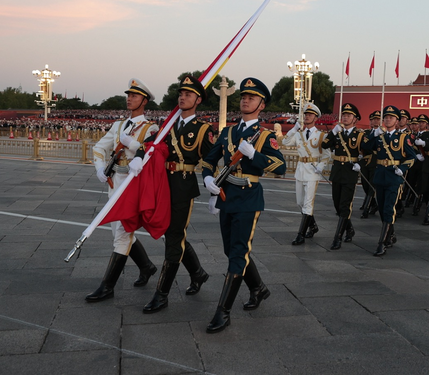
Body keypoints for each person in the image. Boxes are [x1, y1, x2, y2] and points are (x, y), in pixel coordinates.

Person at [201, 77, 286, 333]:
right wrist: (207, 178)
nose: (245, 100)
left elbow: (280, 167)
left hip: (249, 198)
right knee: (232, 250)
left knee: (237, 254)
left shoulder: (266, 135)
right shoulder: (228, 132)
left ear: (262, 105)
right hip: (227, 196)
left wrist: (254, 156)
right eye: (244, 96)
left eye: (252, 97)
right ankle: (258, 288)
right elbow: (209, 159)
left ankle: (222, 312)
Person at [137, 75, 213, 313]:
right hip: (163, 185)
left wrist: (214, 187)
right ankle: (198, 273)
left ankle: (162, 294)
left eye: (188, 94)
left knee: (173, 238)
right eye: (180, 94)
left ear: (198, 100)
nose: (182, 97)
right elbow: (148, 145)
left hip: (183, 186)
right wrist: (138, 159)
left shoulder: (203, 130)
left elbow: (211, 160)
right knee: (173, 235)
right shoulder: (168, 125)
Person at [87, 78, 159, 303]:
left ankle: (107, 286)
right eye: (128, 95)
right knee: (118, 230)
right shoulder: (118, 125)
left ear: (144, 101)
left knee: (122, 233)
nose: (129, 99)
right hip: (115, 181)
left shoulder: (151, 128)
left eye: (135, 96)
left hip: (133, 185)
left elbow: (153, 155)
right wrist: (100, 168)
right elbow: (100, 147)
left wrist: (133, 144)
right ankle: (146, 266)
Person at [362, 105, 416, 256]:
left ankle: (381, 243)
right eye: (386, 117)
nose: (388, 119)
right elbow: (365, 146)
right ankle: (390, 235)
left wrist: (403, 169)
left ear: (397, 121)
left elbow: (412, 157)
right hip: (380, 176)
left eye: (391, 117)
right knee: (381, 208)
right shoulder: (379, 136)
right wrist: (374, 133)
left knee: (388, 209)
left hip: (394, 177)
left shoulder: (403, 138)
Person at [282, 103, 331, 245]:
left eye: (310, 115)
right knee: (300, 203)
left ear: (316, 118)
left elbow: (327, 155)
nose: (307, 116)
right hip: (300, 170)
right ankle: (313, 226)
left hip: (313, 172)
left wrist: (321, 166)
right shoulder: (299, 134)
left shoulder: (321, 135)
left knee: (308, 204)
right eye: (306, 114)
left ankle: (300, 235)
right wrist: (294, 128)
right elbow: (285, 141)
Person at [322, 103, 367, 249]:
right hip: (337, 172)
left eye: (349, 115)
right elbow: (324, 145)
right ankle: (349, 229)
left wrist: (361, 164)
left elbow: (369, 154)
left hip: (350, 173)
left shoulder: (360, 135)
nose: (345, 117)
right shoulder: (337, 133)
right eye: (344, 115)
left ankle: (337, 238)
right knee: (337, 204)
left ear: (355, 119)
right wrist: (333, 132)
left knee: (345, 205)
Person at [359, 110, 381, 219]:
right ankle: (374, 204)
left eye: (377, 119)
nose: (375, 121)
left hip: (376, 161)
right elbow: (365, 145)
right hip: (366, 161)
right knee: (365, 184)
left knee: (372, 185)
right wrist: (373, 136)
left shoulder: (383, 133)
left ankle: (366, 209)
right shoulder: (366, 133)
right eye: (373, 119)